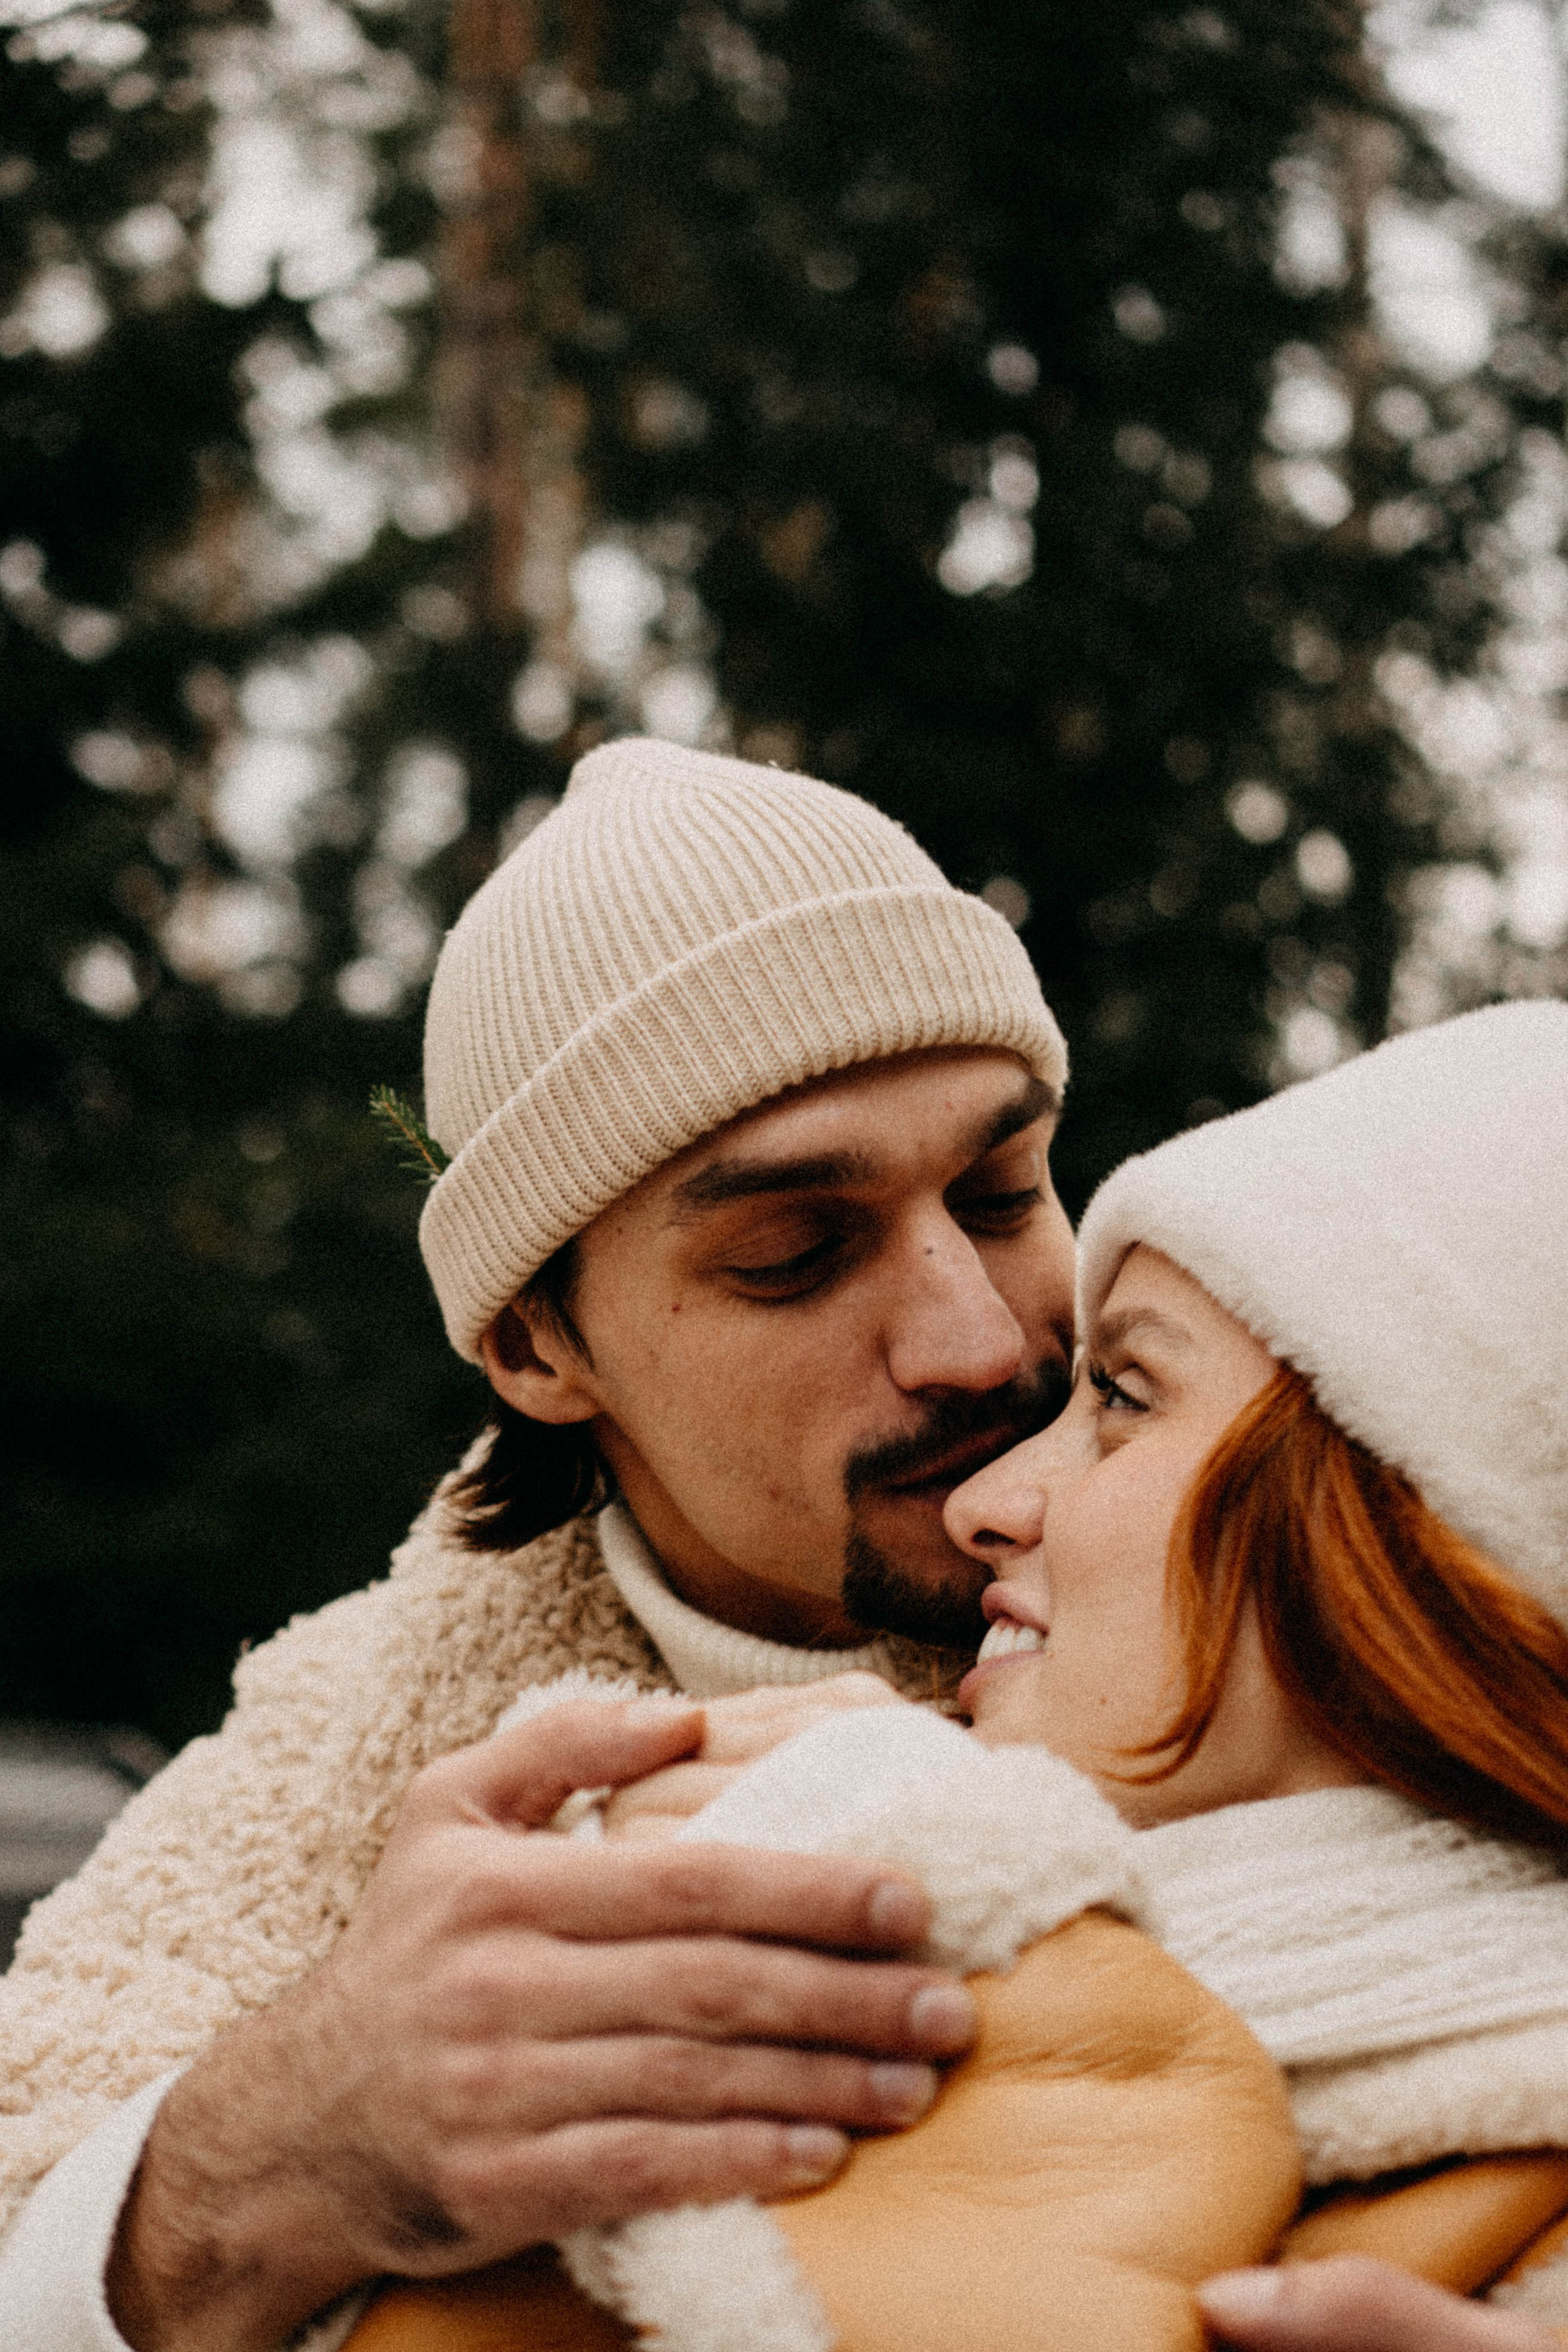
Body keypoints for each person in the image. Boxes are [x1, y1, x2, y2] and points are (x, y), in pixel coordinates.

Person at [0, 737, 1077, 2352]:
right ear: (533, 1345)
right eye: (796, 1252)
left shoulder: (1325, 1564)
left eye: (1000, 1193)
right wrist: (278, 2146)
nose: (976, 1340)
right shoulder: (324, 1784)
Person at [456, 1000, 1568, 2352]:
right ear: (539, 1347)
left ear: (1425, 1515)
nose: (986, 1486)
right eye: (794, 1253)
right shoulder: (488, 1895)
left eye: (1127, 1394)